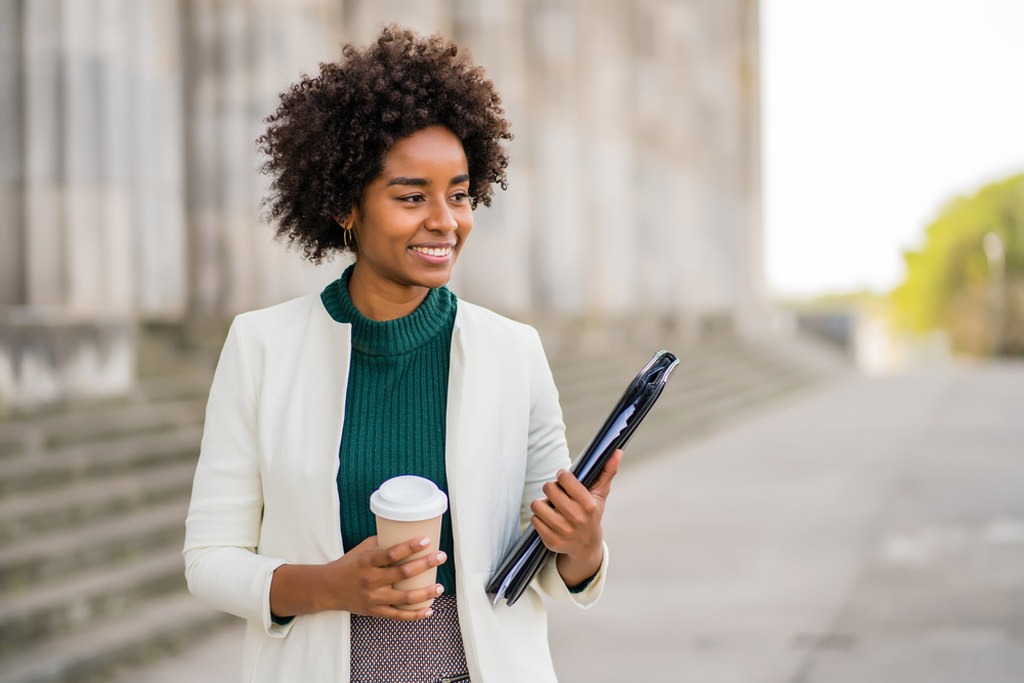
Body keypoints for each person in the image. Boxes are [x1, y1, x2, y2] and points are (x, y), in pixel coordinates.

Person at [183, 25, 621, 683]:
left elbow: (548, 571)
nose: (446, 220)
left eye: (460, 193)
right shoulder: (261, 347)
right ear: (344, 205)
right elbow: (210, 559)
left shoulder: (513, 352)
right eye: (412, 196)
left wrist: (581, 544)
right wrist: (330, 585)